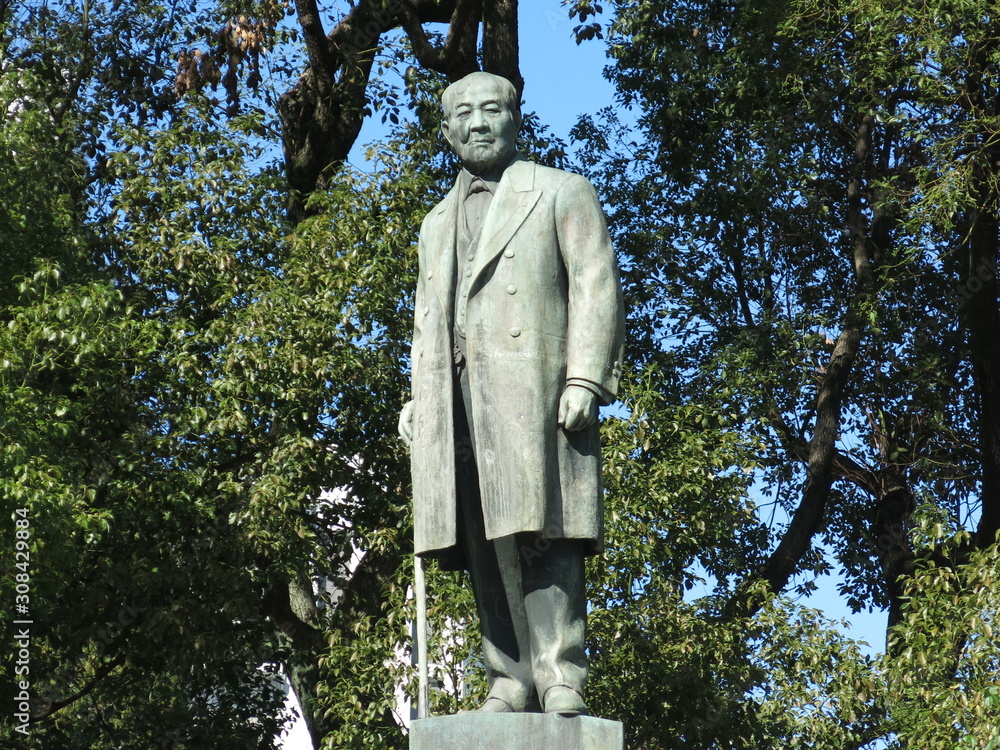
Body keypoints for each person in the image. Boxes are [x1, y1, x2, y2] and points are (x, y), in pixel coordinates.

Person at [398, 71, 624, 717]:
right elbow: (427, 319)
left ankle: (560, 676)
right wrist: (421, 396)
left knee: (543, 532)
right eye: (462, 113)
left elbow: (595, 283)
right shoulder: (435, 222)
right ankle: (508, 677)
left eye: (490, 109)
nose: (477, 122)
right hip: (459, 401)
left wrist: (585, 376)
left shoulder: (561, 191)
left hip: (535, 388)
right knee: (479, 537)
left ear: (515, 117)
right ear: (445, 130)